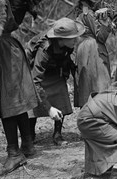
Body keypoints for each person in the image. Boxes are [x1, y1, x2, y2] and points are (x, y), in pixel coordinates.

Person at [0, 0, 56, 174]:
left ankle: (14, 153)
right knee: (16, 99)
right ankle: (27, 144)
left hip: (2, 49)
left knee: (8, 100)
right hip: (12, 49)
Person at [26, 18, 84, 148]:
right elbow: (36, 80)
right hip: (38, 74)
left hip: (55, 71)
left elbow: (68, 59)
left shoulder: (68, 45)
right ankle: (30, 134)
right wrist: (49, 108)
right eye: (73, 37)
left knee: (60, 94)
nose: (76, 40)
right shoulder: (44, 50)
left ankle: (57, 134)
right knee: (34, 102)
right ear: (61, 39)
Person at [74, 0, 113, 107]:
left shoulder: (83, 9)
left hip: (83, 50)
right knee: (99, 87)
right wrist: (106, 23)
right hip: (93, 51)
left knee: (88, 86)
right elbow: (100, 37)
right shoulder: (88, 13)